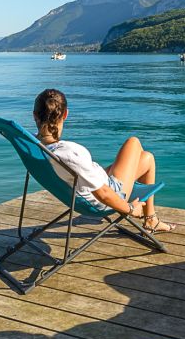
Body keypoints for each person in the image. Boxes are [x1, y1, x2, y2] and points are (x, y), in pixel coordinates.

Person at [33, 88, 176, 233]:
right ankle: (151, 219)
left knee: (147, 158)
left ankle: (151, 219)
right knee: (133, 142)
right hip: (106, 198)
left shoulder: (33, 145)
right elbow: (103, 194)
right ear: (65, 114)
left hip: (85, 186)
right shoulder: (69, 153)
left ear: (34, 116)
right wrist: (130, 209)